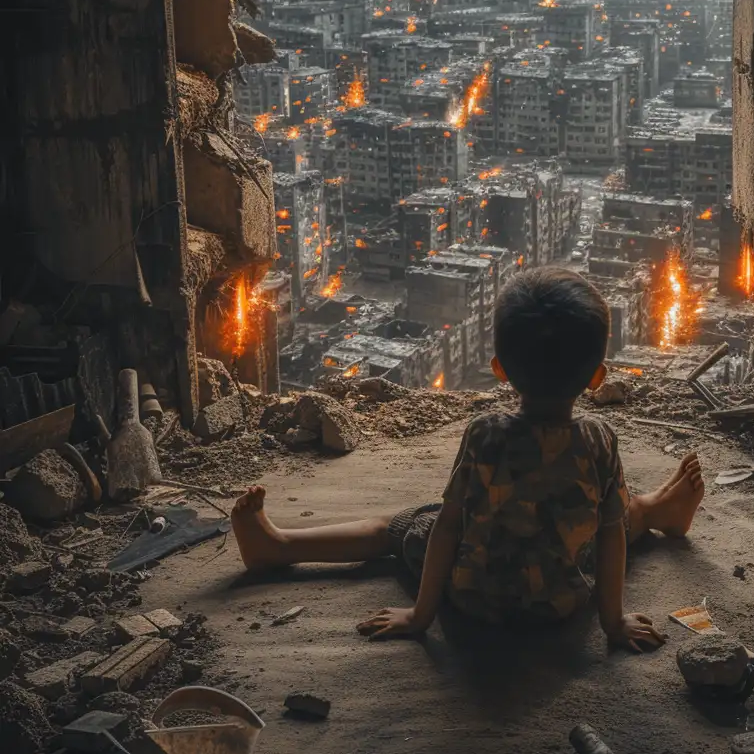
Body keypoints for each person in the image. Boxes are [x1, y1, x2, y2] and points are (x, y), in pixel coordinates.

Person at [228, 267, 703, 652]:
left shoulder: (485, 435)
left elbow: (448, 528)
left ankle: (280, 546)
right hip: (561, 600)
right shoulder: (600, 441)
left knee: (394, 526)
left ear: (499, 370)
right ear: (597, 377)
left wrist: (421, 615)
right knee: (612, 519)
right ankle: (661, 512)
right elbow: (610, 538)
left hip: (475, 598)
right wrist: (614, 622)